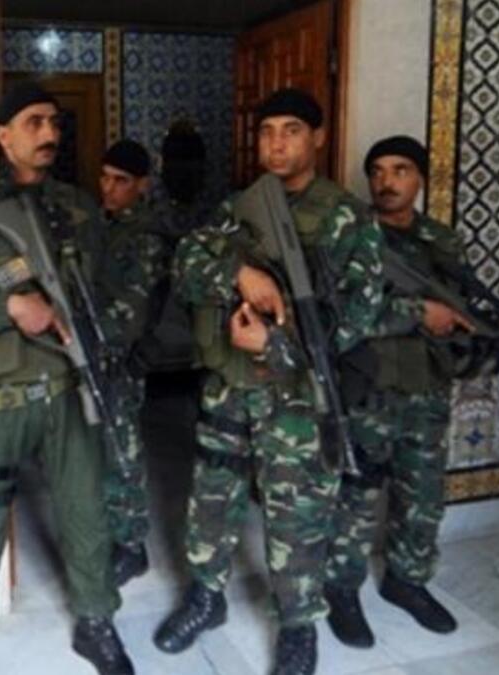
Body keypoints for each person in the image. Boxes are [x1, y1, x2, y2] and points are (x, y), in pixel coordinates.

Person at [155, 88, 395, 675]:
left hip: (296, 398)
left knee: (298, 515)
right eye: (266, 132)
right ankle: (205, 597)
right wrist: (239, 273)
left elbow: (358, 318)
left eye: (291, 130)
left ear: (318, 137)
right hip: (230, 387)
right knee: (212, 498)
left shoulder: (347, 218)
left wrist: (274, 344)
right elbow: (185, 264)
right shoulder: (237, 206)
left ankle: (297, 625)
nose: (277, 143)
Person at [0, 81, 135, 675]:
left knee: (87, 512)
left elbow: (109, 295)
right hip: (0, 397)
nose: (49, 133)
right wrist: (8, 306)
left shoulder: (80, 208)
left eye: (55, 123)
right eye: (34, 122)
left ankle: (96, 622)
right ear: (2, 134)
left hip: (70, 390)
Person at [324, 135, 471, 648]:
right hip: (371, 387)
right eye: (378, 171)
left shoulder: (442, 241)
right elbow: (340, 316)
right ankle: (341, 589)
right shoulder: (351, 235)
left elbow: (458, 311)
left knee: (423, 493)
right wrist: (416, 313)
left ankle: (407, 581)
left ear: (420, 178)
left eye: (400, 170)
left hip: (427, 388)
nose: (387, 181)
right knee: (357, 496)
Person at [97, 139, 168, 586]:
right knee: (100, 447)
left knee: (121, 450)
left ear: (142, 185)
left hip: (122, 356)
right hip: (98, 352)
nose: (109, 188)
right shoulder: (104, 225)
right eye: (104, 178)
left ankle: (132, 545)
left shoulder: (147, 237)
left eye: (120, 181)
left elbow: (132, 312)